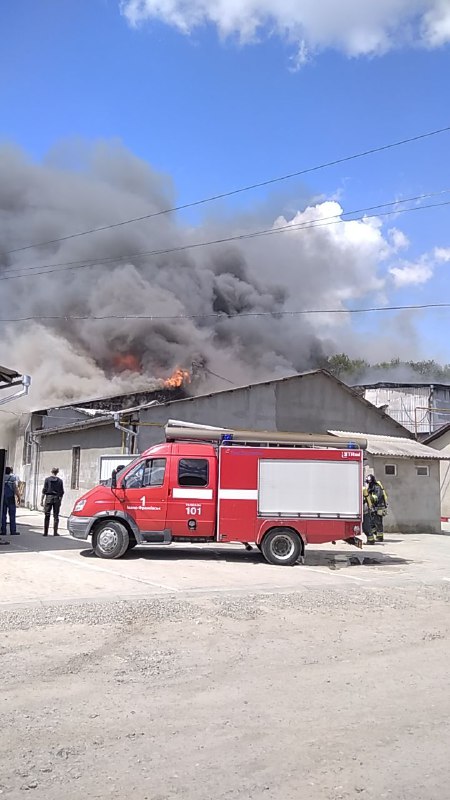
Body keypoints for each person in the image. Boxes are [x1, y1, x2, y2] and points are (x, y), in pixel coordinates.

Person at [41, 467, 64, 537]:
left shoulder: (47, 480)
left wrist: (41, 500)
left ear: (51, 472)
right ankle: (55, 532)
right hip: (56, 498)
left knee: (47, 515)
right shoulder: (60, 481)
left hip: (48, 498)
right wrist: (60, 500)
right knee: (56, 516)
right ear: (57, 472)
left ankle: (45, 532)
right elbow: (61, 492)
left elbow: (44, 490)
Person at [365, 474, 388, 543]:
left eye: (368, 481)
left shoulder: (377, 487)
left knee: (378, 522)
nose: (368, 483)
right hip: (374, 507)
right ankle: (376, 533)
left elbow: (378, 496)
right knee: (371, 522)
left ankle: (380, 537)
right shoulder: (371, 486)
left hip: (379, 507)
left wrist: (371, 499)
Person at [1, 467, 20, 537]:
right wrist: (18, 497)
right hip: (11, 498)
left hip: (3, 498)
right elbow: (15, 489)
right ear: (10, 471)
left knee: (3, 514)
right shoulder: (12, 478)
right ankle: (13, 531)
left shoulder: (3, 478)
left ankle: (3, 530)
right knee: (12, 515)